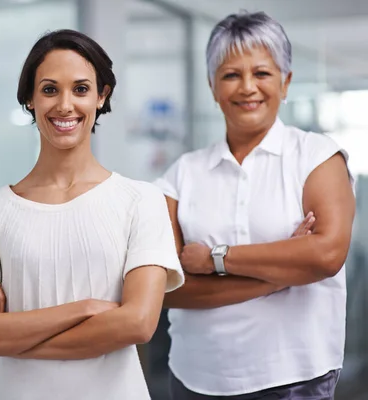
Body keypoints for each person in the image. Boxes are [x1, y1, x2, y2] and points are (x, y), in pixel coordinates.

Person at [0, 29, 184, 400]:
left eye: (80, 89)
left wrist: (10, 335)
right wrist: (87, 309)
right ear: (29, 99)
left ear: (101, 96)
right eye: (48, 89)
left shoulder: (141, 200)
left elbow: (138, 323)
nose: (64, 105)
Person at [153, 11, 356, 400]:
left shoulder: (317, 156)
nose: (248, 87)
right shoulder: (182, 174)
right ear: (213, 87)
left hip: (296, 378)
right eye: (231, 75)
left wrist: (216, 259)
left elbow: (326, 254)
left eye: (262, 73)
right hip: (195, 379)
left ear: (286, 81)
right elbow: (165, 288)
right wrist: (282, 273)